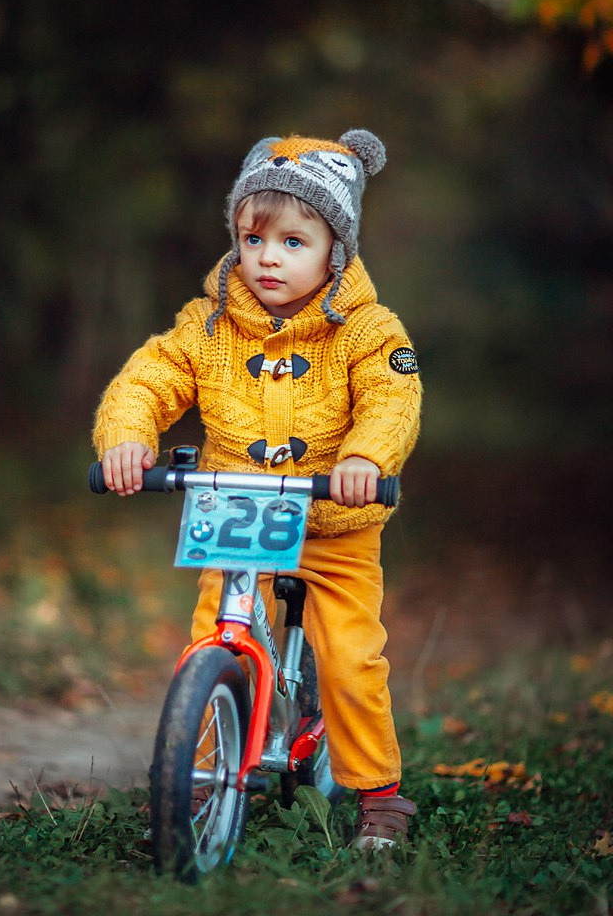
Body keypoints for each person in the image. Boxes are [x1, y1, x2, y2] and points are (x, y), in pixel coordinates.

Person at [93, 129, 422, 848]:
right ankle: (196, 790)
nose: (268, 257)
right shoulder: (209, 324)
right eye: (252, 238)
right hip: (236, 513)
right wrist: (126, 436)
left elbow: (391, 399)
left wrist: (367, 456)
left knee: (349, 657)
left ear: (336, 251)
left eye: (293, 242)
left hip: (334, 524)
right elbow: (150, 377)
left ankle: (380, 796)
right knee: (214, 638)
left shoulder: (366, 331)